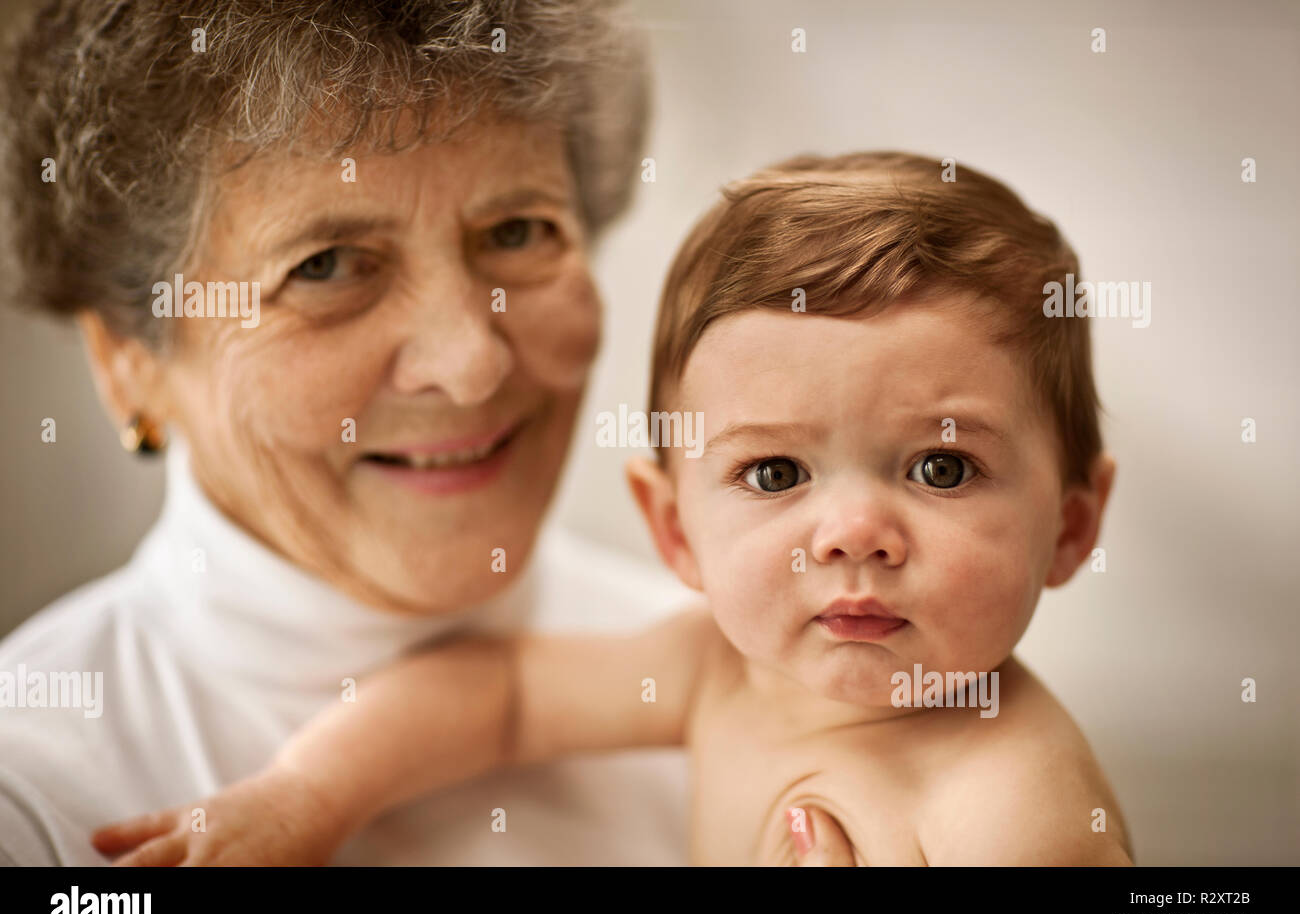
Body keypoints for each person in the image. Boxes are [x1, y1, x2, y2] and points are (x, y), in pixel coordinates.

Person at [95, 151, 1134, 866]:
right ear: (674, 526)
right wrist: (304, 800)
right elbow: (495, 694)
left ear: (1072, 527)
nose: (852, 531)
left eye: (942, 470)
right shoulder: (715, 668)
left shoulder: (1011, 811)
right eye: (775, 474)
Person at [0, 0, 713, 866]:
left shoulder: (765, 673)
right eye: (326, 266)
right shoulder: (31, 793)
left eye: (517, 232)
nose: (469, 363)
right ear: (128, 362)